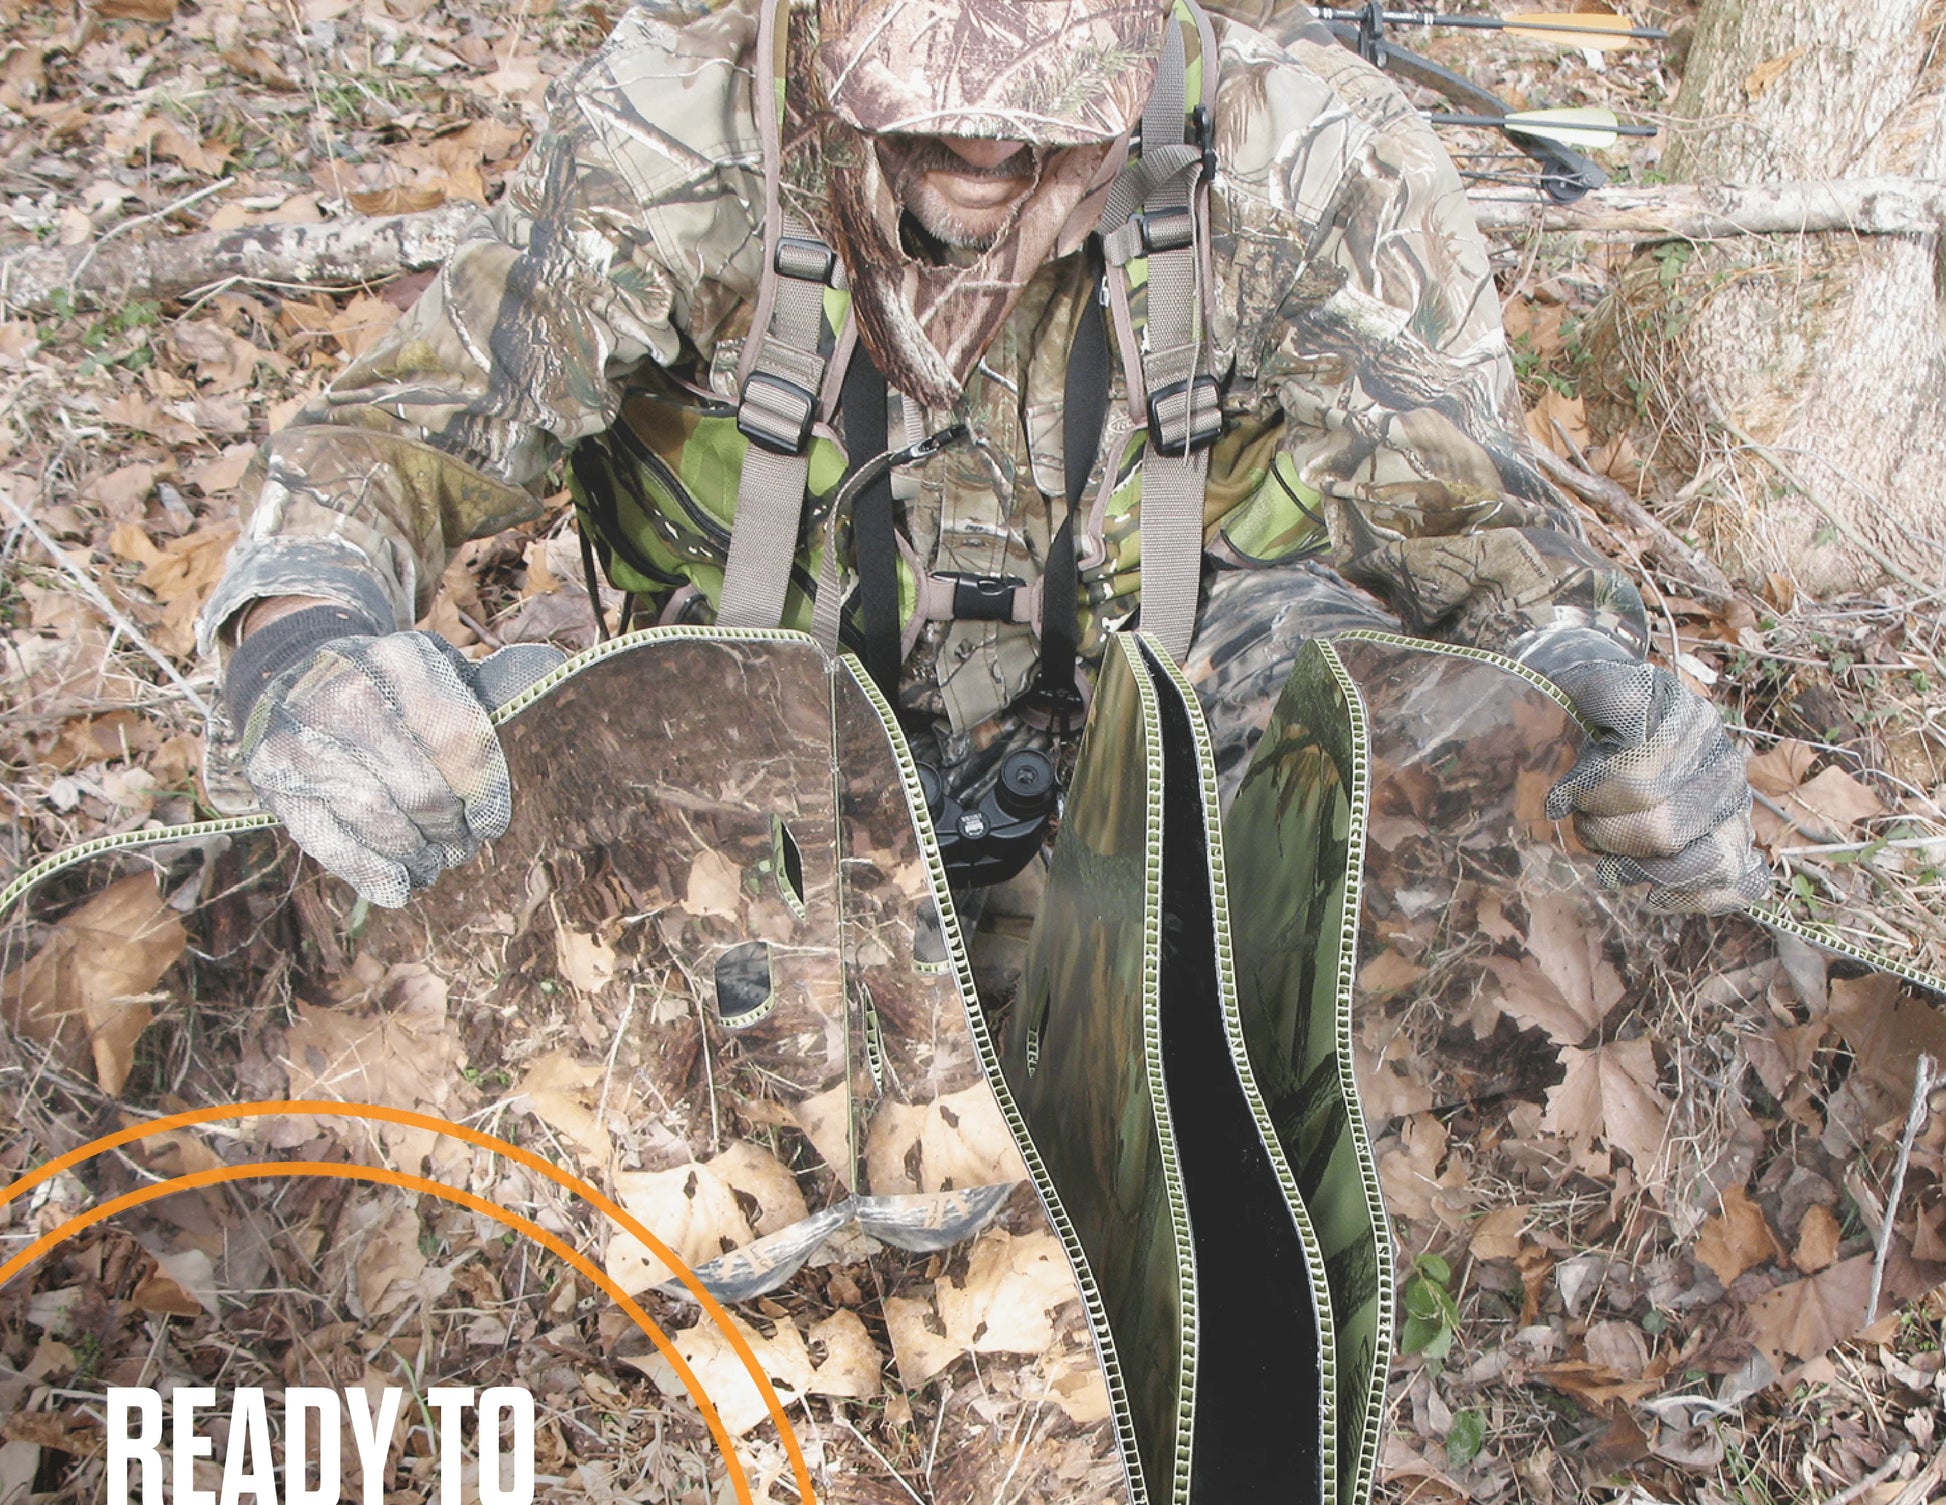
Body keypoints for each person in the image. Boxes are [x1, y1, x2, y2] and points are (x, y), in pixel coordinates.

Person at [201, 0, 1766, 918]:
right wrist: (308, 647)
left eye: (1035, 129)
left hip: (1157, 793)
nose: (981, 164)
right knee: (430, 806)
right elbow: (401, 432)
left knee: (1398, 731)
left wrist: (1602, 697)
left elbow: (1475, 528)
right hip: (745, 775)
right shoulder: (677, 127)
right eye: (927, 120)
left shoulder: (1308, 155)